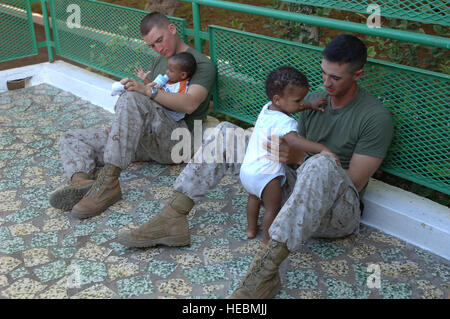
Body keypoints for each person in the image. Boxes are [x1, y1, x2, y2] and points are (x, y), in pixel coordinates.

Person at [117, 34, 394, 299]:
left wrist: (301, 159)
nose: (326, 83)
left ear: (357, 75)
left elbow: (354, 182)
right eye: (323, 73)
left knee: (320, 163)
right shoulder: (311, 101)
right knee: (226, 132)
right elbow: (283, 139)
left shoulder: (374, 117)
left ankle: (267, 270)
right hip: (294, 189)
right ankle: (173, 218)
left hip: (336, 211)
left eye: (335, 77)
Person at [49, 12, 216, 219]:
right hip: (151, 138)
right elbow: (151, 105)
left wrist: (146, 90)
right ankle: (82, 183)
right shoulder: (161, 61)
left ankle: (108, 185)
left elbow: (190, 104)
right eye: (152, 46)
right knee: (72, 138)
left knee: (133, 97)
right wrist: (121, 126)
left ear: (172, 29)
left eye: (160, 40)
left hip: (178, 142)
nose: (159, 48)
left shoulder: (201, 64)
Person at [240, 66, 328, 246]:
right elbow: (295, 142)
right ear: (278, 99)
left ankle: (250, 230)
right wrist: (322, 149)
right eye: (299, 100)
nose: (302, 103)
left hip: (248, 170)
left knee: (253, 198)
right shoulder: (286, 122)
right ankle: (266, 241)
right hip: (267, 175)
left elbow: (294, 106)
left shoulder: (267, 109)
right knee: (273, 209)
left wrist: (310, 105)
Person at [135, 51, 197, 122]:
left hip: (168, 117)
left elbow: (174, 105)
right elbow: (152, 87)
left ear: (183, 75)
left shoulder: (181, 87)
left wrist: (156, 98)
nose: (167, 72)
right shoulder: (168, 78)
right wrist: (144, 79)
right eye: (167, 68)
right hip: (157, 108)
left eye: (171, 71)